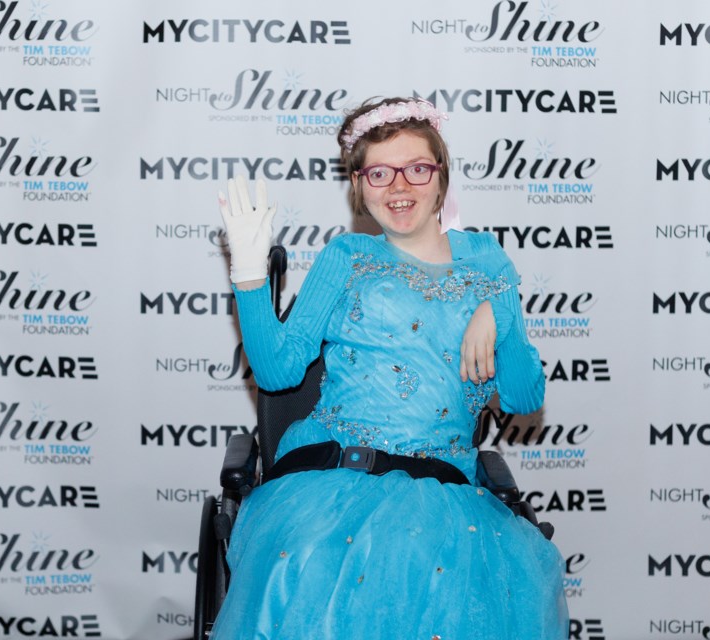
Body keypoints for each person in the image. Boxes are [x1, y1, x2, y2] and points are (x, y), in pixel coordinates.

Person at [211, 97, 568, 639]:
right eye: (380, 172)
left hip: (444, 493)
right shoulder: (347, 256)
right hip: (331, 478)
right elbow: (280, 372)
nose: (399, 187)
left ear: (441, 176)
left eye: (417, 168)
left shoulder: (487, 259)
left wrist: (501, 310)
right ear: (360, 184)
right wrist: (249, 274)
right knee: (313, 564)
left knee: (447, 583)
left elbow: (521, 396)